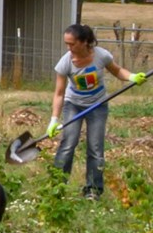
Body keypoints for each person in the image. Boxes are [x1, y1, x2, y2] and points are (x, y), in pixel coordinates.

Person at [49, 23, 144, 199]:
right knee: (68, 144)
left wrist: (132, 77)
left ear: (85, 42)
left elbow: (117, 71)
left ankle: (93, 190)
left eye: (72, 44)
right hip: (74, 105)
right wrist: (54, 120)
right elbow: (59, 93)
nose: (69, 48)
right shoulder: (65, 63)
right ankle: (57, 187)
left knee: (95, 148)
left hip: (98, 105)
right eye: (66, 44)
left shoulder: (101, 55)